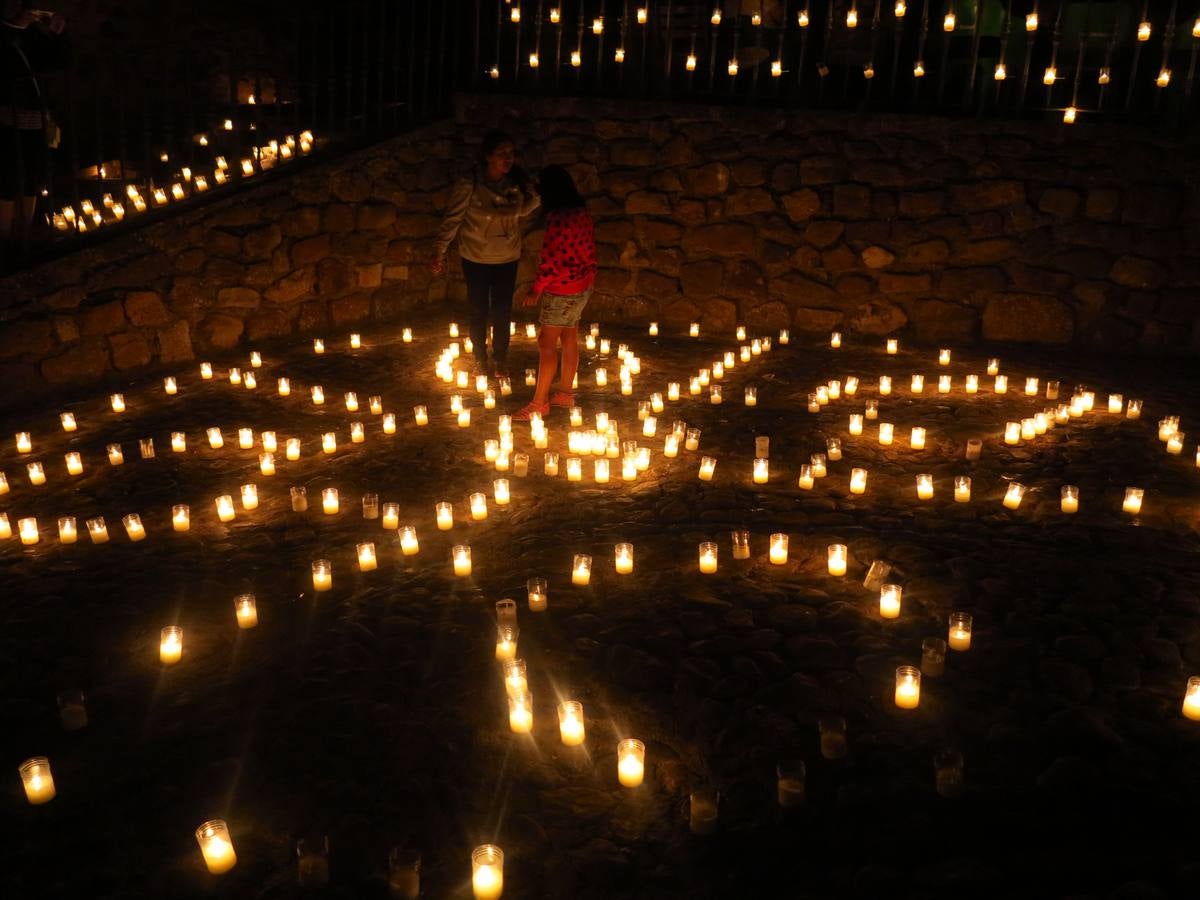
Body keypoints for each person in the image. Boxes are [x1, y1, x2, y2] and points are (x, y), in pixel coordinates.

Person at [429, 130, 539, 378]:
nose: (507, 159)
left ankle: (500, 360)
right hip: (476, 258)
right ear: (488, 156)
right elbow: (453, 219)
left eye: (510, 154)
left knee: (502, 311)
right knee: (478, 310)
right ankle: (480, 358)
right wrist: (439, 251)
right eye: (501, 154)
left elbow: (521, 210)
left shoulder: (514, 184)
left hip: (507, 258)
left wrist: (536, 196)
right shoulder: (471, 183)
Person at [514, 165, 596, 421]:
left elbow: (551, 262)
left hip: (561, 290)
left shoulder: (557, 219)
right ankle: (565, 393)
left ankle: (539, 403)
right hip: (582, 286)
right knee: (570, 336)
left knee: (546, 343)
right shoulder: (581, 213)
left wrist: (535, 289)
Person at [0, 5, 66, 251]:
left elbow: (56, 62)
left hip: (36, 113)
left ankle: (25, 228)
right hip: (10, 114)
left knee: (33, 172)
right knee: (8, 174)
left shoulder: (34, 35)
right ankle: (5, 234)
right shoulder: (6, 35)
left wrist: (56, 34)